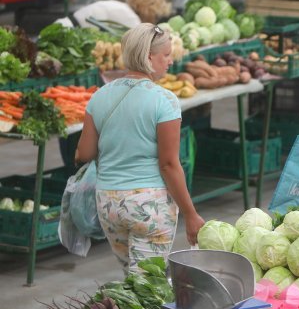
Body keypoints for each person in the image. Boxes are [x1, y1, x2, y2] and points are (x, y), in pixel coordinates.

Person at [75, 23, 203, 272]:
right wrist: (190, 214)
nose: (170, 61)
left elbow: (85, 154)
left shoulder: (99, 96)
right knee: (147, 287)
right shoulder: (164, 100)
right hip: (148, 205)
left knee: (134, 283)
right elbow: (168, 164)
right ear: (147, 57)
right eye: (165, 55)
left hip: (109, 204)